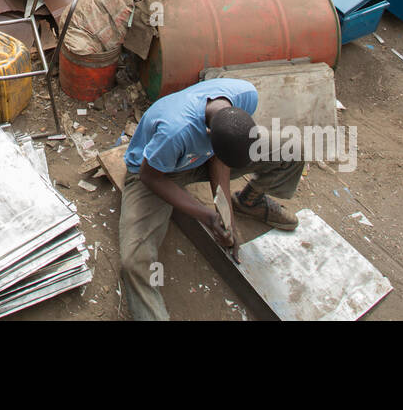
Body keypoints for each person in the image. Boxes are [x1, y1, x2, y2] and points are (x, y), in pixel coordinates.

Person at [118, 77, 303, 321]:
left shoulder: (245, 95)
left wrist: (225, 214)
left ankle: (249, 201)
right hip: (157, 171)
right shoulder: (175, 131)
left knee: (292, 148)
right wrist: (208, 215)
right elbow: (149, 176)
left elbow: (219, 159)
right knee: (134, 263)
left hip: (200, 156)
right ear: (207, 133)